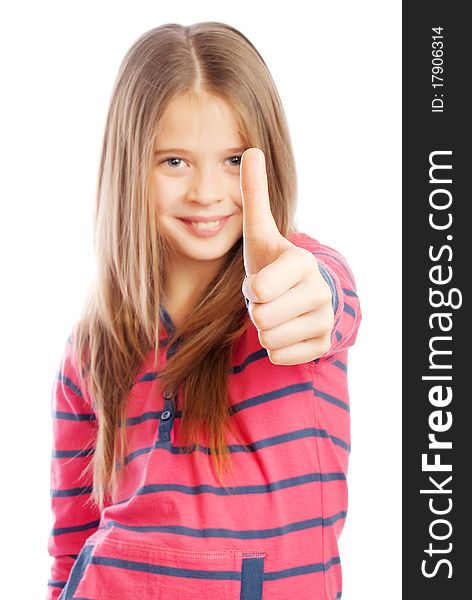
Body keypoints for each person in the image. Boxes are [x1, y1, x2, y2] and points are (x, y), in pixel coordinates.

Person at [46, 21, 361, 600]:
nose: (207, 192)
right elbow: (71, 540)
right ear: (130, 166)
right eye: (174, 162)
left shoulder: (289, 284)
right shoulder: (92, 344)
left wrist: (309, 296)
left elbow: (327, 299)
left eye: (234, 159)